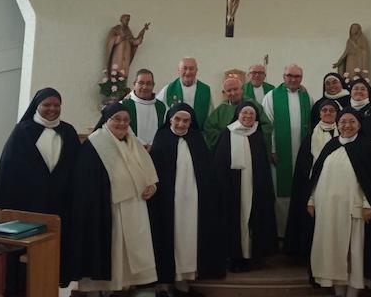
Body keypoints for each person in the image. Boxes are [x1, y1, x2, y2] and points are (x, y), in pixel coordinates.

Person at [0, 87, 81, 286]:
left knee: (55, 258)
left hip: (60, 206)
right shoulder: (22, 131)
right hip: (27, 205)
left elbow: (77, 168)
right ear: (36, 106)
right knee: (24, 265)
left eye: (56, 105)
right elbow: (9, 172)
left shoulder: (69, 131)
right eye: (46, 105)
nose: (52, 109)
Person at [67, 103, 159, 295]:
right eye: (116, 119)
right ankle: (104, 289)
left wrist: (152, 186)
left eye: (126, 120)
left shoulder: (133, 141)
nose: (122, 123)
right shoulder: (95, 144)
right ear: (106, 120)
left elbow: (148, 171)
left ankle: (126, 286)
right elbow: (86, 180)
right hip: (109, 207)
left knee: (131, 253)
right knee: (113, 251)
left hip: (135, 206)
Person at [307, 108, 371, 297]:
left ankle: (352, 293)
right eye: (342, 122)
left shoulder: (367, 147)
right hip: (328, 210)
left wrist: (368, 204)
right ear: (337, 125)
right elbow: (317, 175)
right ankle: (339, 292)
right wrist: (311, 199)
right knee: (334, 252)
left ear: (359, 124)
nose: (346, 125)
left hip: (353, 210)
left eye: (351, 121)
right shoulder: (330, 145)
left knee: (353, 253)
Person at [148, 103, 225, 296]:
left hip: (193, 201)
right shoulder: (162, 138)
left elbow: (206, 172)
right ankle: (165, 283)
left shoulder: (196, 139)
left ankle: (184, 283)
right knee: (167, 236)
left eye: (186, 120)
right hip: (168, 201)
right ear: (170, 120)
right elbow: (154, 171)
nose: (182, 124)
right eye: (178, 120)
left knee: (190, 237)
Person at [213, 101, 277, 272]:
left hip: (253, 186)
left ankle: (250, 256)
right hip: (232, 188)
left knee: (251, 218)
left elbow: (263, 165)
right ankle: (234, 257)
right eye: (244, 113)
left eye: (252, 114)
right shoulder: (227, 133)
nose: (248, 117)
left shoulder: (257, 135)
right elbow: (219, 163)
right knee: (234, 219)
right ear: (237, 115)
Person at [283, 99, 340, 258]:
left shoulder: (343, 134)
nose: (328, 113)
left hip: (337, 184)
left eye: (331, 110)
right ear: (319, 113)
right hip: (314, 185)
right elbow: (303, 165)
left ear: (337, 113)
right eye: (324, 110)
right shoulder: (310, 137)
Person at [262, 64, 312, 236]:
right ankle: (282, 233)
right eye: (289, 75)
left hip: (302, 152)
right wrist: (272, 150)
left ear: (301, 79)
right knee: (281, 194)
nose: (293, 79)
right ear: (283, 76)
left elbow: (311, 125)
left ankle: (297, 232)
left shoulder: (307, 97)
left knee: (300, 191)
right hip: (280, 154)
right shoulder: (271, 97)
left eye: (297, 76)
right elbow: (267, 126)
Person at [203, 77, 272, 151]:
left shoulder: (253, 105)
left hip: (251, 147)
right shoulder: (221, 109)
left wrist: (252, 136)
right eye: (229, 90)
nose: (233, 93)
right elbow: (208, 127)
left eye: (235, 89)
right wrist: (225, 138)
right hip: (228, 149)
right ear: (224, 92)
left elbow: (266, 125)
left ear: (242, 90)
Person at [157, 57, 212, 127]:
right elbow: (159, 111)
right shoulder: (168, 89)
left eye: (191, 69)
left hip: (196, 133)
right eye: (185, 68)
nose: (188, 72)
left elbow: (210, 115)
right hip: (174, 132)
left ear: (196, 70)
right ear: (179, 70)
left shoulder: (205, 90)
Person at [121, 68, 167, 148]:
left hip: (155, 151)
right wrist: (142, 145)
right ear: (134, 84)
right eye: (141, 83)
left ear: (153, 85)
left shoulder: (162, 107)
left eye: (149, 83)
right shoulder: (123, 105)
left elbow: (165, 130)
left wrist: (153, 146)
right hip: (131, 150)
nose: (145, 87)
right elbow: (122, 129)